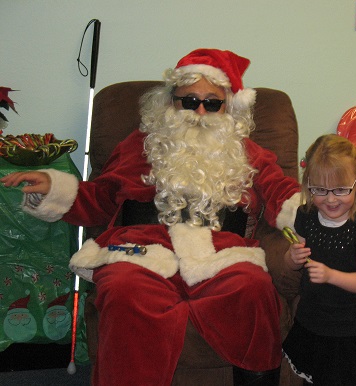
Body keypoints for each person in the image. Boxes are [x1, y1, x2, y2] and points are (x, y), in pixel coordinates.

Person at [1, 49, 301, 386]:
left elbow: (281, 192)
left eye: (212, 103)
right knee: (124, 291)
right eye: (189, 101)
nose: (200, 112)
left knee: (253, 287)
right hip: (142, 252)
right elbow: (100, 198)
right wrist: (53, 188)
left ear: (228, 107)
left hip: (222, 255)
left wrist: (314, 210)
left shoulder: (247, 152)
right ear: (171, 102)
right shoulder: (140, 146)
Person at [282, 134, 356, 386]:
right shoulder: (306, 215)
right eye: (319, 190)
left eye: (341, 190)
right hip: (312, 320)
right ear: (308, 184)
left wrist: (331, 275)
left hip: (349, 328)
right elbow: (293, 262)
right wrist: (292, 257)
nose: (330, 199)